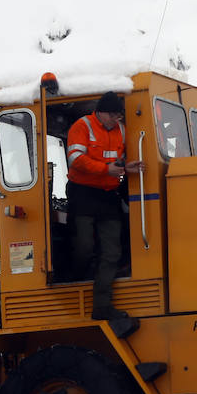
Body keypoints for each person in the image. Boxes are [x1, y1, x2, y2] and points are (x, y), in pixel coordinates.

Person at [66, 91, 143, 320]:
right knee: (84, 246)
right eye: (113, 115)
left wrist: (125, 167)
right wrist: (106, 169)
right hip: (83, 194)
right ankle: (73, 281)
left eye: (119, 116)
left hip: (108, 195)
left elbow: (115, 161)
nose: (116, 120)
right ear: (100, 112)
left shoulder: (120, 130)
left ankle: (101, 306)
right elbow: (75, 159)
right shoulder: (82, 126)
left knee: (112, 252)